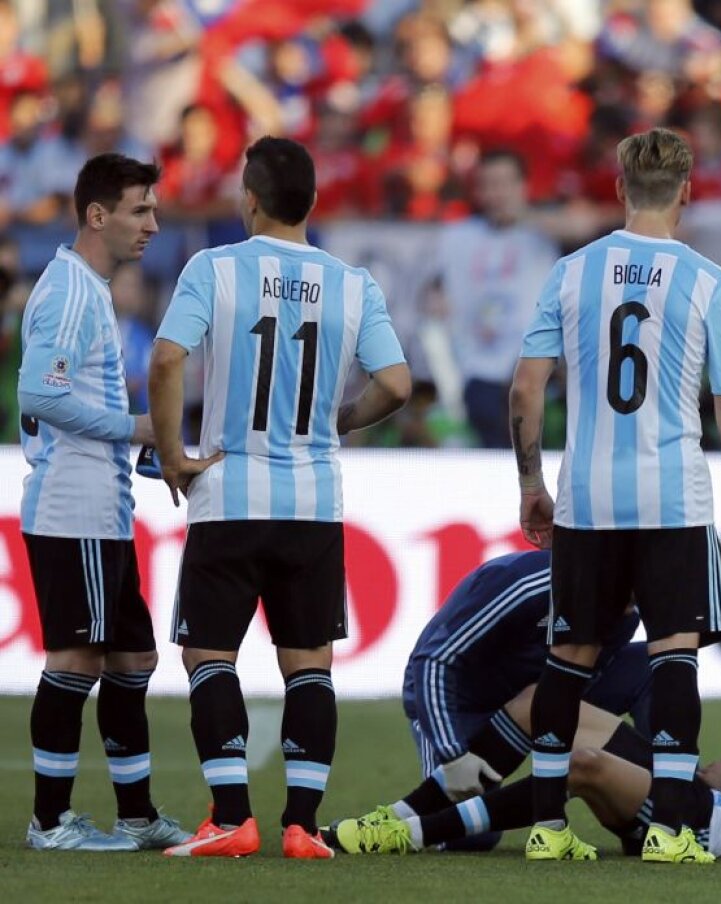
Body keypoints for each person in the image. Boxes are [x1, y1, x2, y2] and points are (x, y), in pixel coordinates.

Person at [147, 136, 412, 860]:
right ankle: (302, 825)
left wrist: (174, 455)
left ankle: (232, 817)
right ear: (314, 202)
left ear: (251, 198)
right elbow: (395, 384)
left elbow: (169, 357)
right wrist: (341, 420)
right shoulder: (352, 283)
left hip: (231, 492)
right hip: (313, 498)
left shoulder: (214, 268)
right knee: (309, 663)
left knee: (209, 655)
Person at [509, 126, 721, 863]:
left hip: (587, 497)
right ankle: (670, 830)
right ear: (687, 193)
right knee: (673, 658)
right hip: (672, 499)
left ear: (619, 191)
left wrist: (530, 481)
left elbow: (529, 384)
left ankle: (547, 829)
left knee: (569, 658)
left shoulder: (571, 272)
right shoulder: (707, 280)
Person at [16, 153, 190, 851]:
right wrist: (136, 428)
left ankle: (138, 814)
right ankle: (50, 822)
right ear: (97, 215)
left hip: (103, 507)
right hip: (73, 506)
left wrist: (140, 447)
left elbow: (72, 396)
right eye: (139, 209)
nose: (152, 223)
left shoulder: (88, 288)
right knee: (77, 660)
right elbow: (41, 394)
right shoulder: (68, 291)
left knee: (132, 660)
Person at [322, 686, 721, 860]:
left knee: (579, 766)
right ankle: (405, 811)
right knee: (541, 705)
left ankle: (411, 835)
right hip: (702, 798)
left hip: (708, 825)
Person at [329, 549, 652, 852]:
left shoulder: (624, 616)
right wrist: (452, 754)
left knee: (656, 666)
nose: (630, 608)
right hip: (463, 703)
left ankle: (652, 813)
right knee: (472, 839)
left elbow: (571, 690)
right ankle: (398, 819)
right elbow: (433, 661)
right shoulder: (526, 585)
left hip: (535, 695)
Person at [432, 150, 559, 448]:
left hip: (532, 369)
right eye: (487, 185)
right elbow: (434, 290)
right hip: (475, 367)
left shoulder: (544, 232)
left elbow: (587, 225)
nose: (495, 194)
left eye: (504, 184)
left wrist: (523, 213)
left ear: (523, 186)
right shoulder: (459, 236)